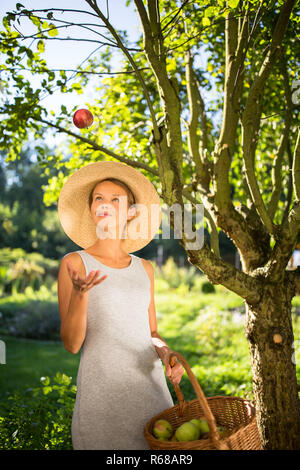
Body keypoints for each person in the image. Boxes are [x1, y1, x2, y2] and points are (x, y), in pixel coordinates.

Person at [57, 161, 184, 450]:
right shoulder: (74, 264)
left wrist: (166, 353)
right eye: (98, 198)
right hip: (102, 402)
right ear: (91, 209)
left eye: (116, 199)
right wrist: (80, 294)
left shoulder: (145, 268)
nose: (105, 204)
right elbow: (71, 344)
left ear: (131, 213)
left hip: (152, 396)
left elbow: (151, 332)